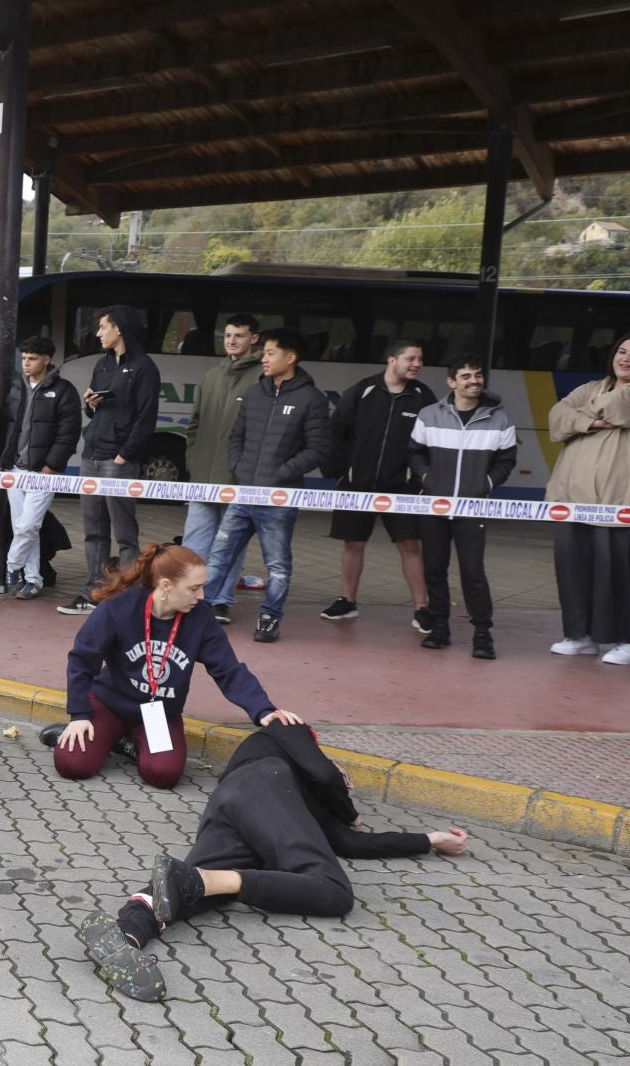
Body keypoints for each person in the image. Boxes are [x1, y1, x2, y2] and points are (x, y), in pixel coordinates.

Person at [79, 720, 471, 1003]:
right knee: (334, 892)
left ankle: (127, 931)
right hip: (261, 787)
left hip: (233, 809)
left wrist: (429, 840)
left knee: (182, 887)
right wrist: (345, 805)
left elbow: (350, 844)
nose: (343, 779)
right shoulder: (288, 729)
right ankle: (208, 881)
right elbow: (321, 771)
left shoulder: (302, 801)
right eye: (343, 775)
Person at [45, 542, 302, 789]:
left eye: (202, 587)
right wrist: (79, 715)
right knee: (72, 764)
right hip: (109, 704)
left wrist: (263, 710)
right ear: (166, 586)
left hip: (158, 712)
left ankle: (128, 744)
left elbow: (228, 669)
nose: (201, 596)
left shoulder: (200, 618)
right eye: (194, 588)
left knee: (163, 774)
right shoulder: (119, 609)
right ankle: (91, 735)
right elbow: (82, 660)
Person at [202, 328, 331, 643]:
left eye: (271, 352)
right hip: (244, 492)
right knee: (218, 557)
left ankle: (270, 619)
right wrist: (239, 467)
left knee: (278, 565)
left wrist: (281, 474)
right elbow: (236, 437)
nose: (264, 358)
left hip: (278, 498)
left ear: (291, 357)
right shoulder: (255, 393)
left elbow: (318, 449)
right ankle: (199, 615)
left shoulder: (311, 399)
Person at [319, 339, 437, 629]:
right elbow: (335, 431)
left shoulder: (424, 397)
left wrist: (421, 478)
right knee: (353, 543)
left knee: (410, 545)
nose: (417, 364)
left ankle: (422, 608)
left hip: (403, 488)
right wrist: (338, 472)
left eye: (420, 359)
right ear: (391, 360)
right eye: (411, 358)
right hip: (356, 485)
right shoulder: (363, 390)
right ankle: (347, 602)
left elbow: (433, 443)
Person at [410, 354, 516, 660]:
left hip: (472, 508)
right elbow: (415, 452)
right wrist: (427, 477)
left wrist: (485, 484)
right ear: (452, 382)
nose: (474, 381)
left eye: (478, 375)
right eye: (467, 376)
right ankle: (439, 629)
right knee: (434, 569)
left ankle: (483, 634)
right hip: (434, 506)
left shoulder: (499, 417)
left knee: (473, 572)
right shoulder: (430, 414)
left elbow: (507, 459)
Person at [59, 306, 161, 616]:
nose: (98, 333)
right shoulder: (103, 365)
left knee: (124, 532)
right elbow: (95, 411)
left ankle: (127, 592)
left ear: (120, 329)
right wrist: (91, 405)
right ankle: (95, 589)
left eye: (104, 327)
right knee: (93, 529)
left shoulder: (144, 367)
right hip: (92, 453)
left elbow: (146, 419)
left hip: (118, 459)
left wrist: (123, 456)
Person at [546, 333, 630, 666]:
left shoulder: (595, 393)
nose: (625, 358)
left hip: (618, 502)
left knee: (620, 572)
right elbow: (556, 417)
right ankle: (579, 636)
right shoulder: (591, 386)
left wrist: (581, 419)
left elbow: (618, 405)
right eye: (622, 351)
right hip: (573, 499)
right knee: (573, 568)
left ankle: (625, 638)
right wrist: (594, 422)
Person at [0, 336, 80, 600]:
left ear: (47, 360)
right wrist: (5, 460)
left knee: (27, 526)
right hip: (15, 468)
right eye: (23, 358)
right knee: (24, 527)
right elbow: (8, 424)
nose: (26, 363)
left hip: (43, 471)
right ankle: (32, 581)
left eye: (32, 358)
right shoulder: (15, 387)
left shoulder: (64, 390)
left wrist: (52, 466)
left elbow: (68, 432)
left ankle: (11, 567)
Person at [181, 314, 263, 557]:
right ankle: (192, 594)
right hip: (202, 477)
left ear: (254, 338)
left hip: (236, 478)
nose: (232, 341)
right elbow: (194, 424)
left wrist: (245, 468)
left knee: (228, 547)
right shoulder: (211, 376)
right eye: (228, 335)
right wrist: (194, 462)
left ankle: (222, 596)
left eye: (239, 336)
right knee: (193, 543)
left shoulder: (262, 378)